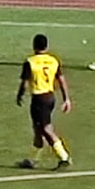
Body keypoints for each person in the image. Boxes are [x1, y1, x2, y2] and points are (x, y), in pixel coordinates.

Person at [16, 34, 72, 170]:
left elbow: (24, 83)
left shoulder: (30, 62)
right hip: (50, 97)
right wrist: (66, 99)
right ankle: (32, 160)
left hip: (39, 100)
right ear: (46, 46)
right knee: (37, 129)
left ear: (34, 46)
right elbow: (62, 79)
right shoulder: (53, 60)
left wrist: (19, 95)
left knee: (46, 129)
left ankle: (64, 157)